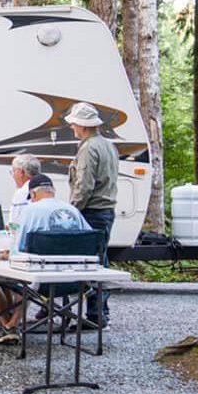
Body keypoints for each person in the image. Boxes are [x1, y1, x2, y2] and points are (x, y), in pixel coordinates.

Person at [0, 174, 92, 343]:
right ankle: (11, 325)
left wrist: (5, 254)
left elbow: (19, 247)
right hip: (75, 279)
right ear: (53, 191)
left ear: (33, 194)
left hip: (40, 280)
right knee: (28, 269)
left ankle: (10, 325)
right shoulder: (73, 211)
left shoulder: (31, 211)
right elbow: (90, 240)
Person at [64, 101, 118, 327]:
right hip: (105, 210)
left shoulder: (88, 148)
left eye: (74, 124)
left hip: (91, 211)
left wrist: (72, 211)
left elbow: (84, 185)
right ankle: (100, 312)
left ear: (83, 126)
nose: (72, 127)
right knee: (100, 261)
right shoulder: (108, 145)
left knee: (91, 263)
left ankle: (96, 315)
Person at [6, 153, 44, 219]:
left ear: (21, 172)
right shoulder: (47, 189)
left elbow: (14, 223)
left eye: (13, 171)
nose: (13, 176)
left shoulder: (22, 193)